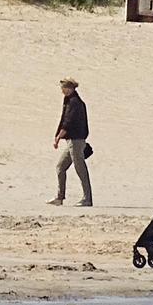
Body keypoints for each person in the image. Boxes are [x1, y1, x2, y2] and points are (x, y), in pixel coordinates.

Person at [49, 77, 93, 207]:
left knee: (80, 169)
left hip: (76, 141)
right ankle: (59, 197)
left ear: (69, 88)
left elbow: (68, 122)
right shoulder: (69, 100)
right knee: (60, 167)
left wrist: (58, 137)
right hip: (71, 141)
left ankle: (87, 199)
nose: (62, 90)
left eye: (63, 88)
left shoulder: (75, 103)